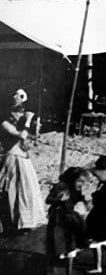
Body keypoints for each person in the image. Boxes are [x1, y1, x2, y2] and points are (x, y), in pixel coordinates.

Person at [0, 88, 44, 235]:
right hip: (12, 159)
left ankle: (23, 223)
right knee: (11, 192)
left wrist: (34, 127)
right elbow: (21, 134)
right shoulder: (5, 123)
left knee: (26, 191)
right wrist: (28, 121)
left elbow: (29, 141)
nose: (19, 115)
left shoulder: (21, 122)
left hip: (23, 159)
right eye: (17, 113)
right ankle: (12, 224)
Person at [46, 167, 94, 266]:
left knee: (72, 235)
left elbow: (78, 197)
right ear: (72, 179)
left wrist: (85, 202)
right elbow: (48, 200)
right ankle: (54, 259)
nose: (81, 184)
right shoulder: (61, 186)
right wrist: (59, 199)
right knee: (56, 238)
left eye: (83, 182)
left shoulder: (76, 187)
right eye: (79, 181)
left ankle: (70, 256)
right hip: (57, 215)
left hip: (69, 214)